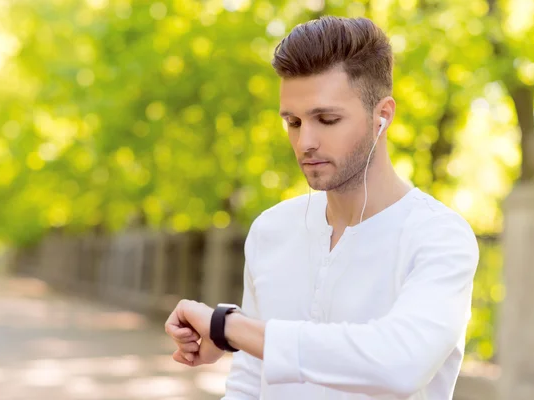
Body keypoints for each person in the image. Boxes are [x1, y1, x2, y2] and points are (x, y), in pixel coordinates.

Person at [164, 16, 479, 400]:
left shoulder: (439, 237)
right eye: (292, 122)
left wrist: (227, 327)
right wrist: (237, 334)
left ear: (383, 115)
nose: (305, 142)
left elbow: (400, 363)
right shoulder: (270, 230)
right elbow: (249, 382)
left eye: (326, 119)